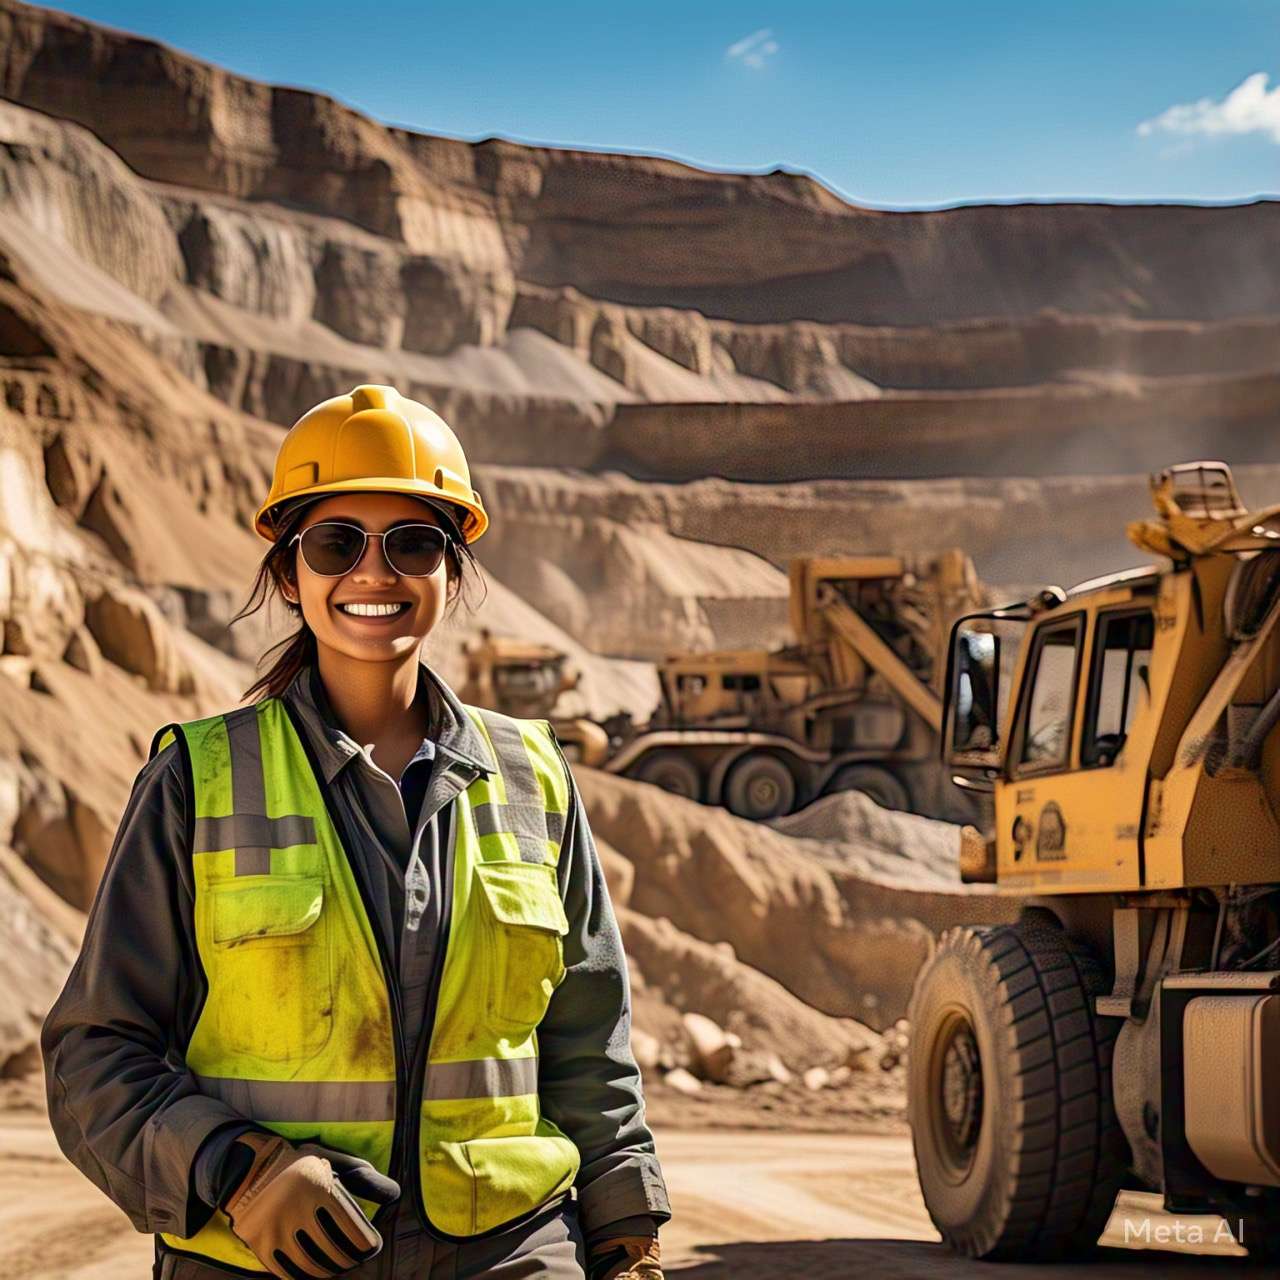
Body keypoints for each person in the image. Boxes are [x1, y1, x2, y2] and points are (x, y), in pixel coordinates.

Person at [42, 385, 670, 1279]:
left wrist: (626, 1233)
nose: (375, 573)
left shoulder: (533, 776)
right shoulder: (198, 781)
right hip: (263, 1260)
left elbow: (587, 1044)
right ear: (289, 574)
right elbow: (93, 1055)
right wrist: (238, 1173)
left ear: (453, 573)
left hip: (507, 1252)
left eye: (413, 543)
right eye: (337, 543)